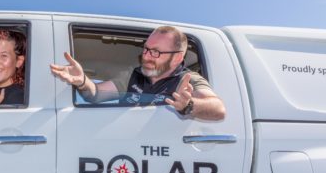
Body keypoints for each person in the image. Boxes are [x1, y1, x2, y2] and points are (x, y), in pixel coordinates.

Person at [50, 25, 226, 121]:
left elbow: (218, 108)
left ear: (177, 58)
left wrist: (189, 105)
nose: (147, 56)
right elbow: (95, 95)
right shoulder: (133, 76)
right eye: (146, 49)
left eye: (156, 52)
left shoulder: (186, 80)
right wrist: (82, 81)